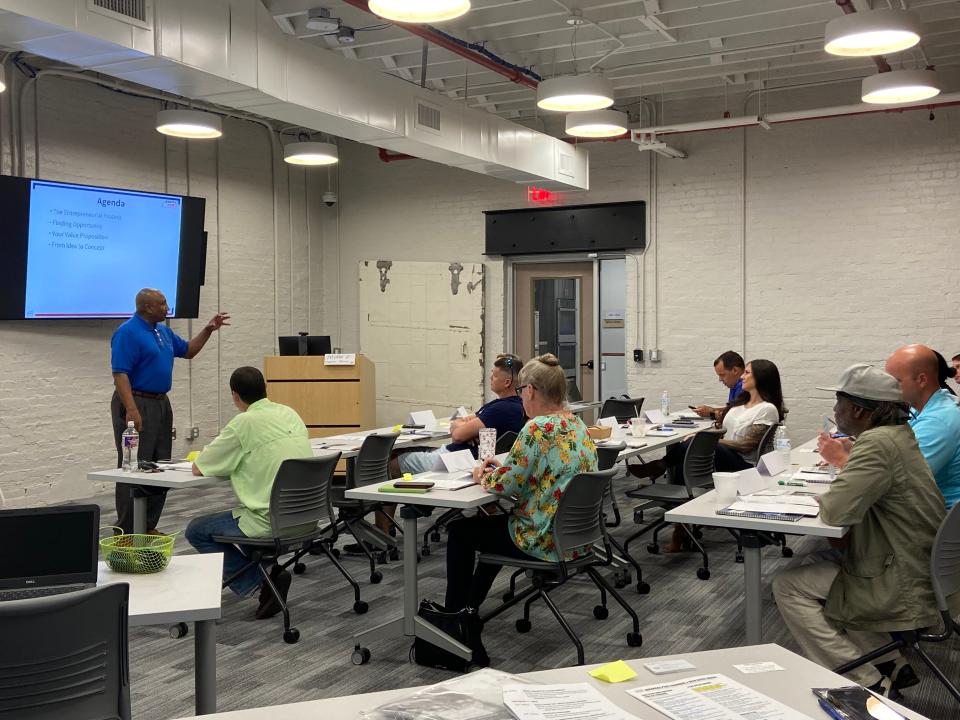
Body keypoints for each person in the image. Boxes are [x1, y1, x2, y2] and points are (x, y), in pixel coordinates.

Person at [772, 364, 945, 697]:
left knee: (788, 586)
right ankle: (891, 663)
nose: (835, 411)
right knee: (826, 568)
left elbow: (836, 511)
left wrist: (832, 488)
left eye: (838, 404)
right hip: (919, 563)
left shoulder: (877, 444)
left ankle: (866, 681)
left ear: (858, 410)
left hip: (903, 578)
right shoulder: (898, 436)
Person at [442, 354, 598, 664]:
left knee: (460, 530)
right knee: (494, 530)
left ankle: (453, 623)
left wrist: (482, 472)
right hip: (576, 539)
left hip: (542, 539)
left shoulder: (537, 428)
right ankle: (470, 611)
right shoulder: (576, 423)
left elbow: (504, 486)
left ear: (529, 391)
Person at [346, 354, 527, 553]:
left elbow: (458, 433)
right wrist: (465, 425)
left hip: (454, 461)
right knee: (405, 452)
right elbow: (464, 422)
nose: (490, 378)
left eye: (493, 376)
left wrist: (463, 427)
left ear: (507, 381)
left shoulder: (501, 409)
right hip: (464, 459)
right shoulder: (515, 405)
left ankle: (382, 534)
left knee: (389, 461)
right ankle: (413, 509)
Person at [185, 367, 313, 619]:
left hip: (269, 521)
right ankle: (267, 571)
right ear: (266, 389)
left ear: (235, 395)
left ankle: (260, 581)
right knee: (242, 520)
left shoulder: (243, 423)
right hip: (307, 517)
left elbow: (200, 467)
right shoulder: (289, 413)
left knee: (196, 530)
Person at [110, 288, 229, 534]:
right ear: (146, 308)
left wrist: (208, 330)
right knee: (133, 465)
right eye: (162, 304)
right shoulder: (127, 333)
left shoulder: (162, 331)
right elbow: (120, 373)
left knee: (159, 465)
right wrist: (131, 409)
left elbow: (188, 351)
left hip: (161, 402)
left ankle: (147, 525)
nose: (167, 308)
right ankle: (126, 531)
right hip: (136, 402)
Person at [824, 345, 960, 508]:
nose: (888, 388)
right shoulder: (930, 407)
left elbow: (898, 486)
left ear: (922, 380)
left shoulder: (938, 421)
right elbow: (895, 459)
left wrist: (841, 459)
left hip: (936, 521)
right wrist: (855, 452)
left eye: (895, 381)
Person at [692, 350, 745, 419]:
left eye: (722, 375)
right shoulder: (735, 384)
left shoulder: (745, 386)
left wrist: (712, 413)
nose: (720, 379)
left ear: (735, 370)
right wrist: (712, 410)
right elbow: (732, 409)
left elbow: (736, 415)